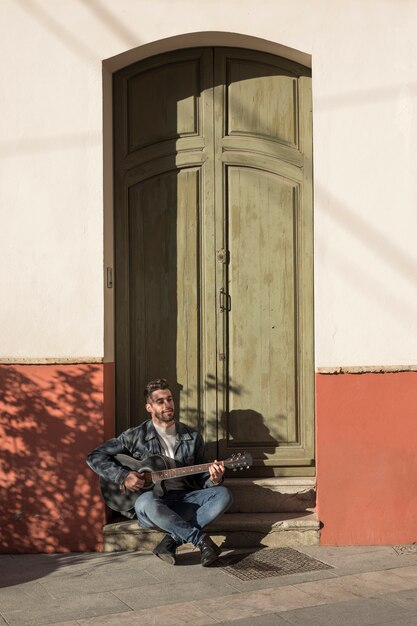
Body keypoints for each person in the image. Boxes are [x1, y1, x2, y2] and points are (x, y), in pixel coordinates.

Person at [87, 378, 233, 566]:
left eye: (170, 399)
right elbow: (94, 456)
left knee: (223, 494)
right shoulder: (134, 436)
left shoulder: (192, 437)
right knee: (146, 501)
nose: (168, 405)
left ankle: (171, 541)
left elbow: (200, 478)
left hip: (184, 499)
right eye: (160, 401)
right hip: (153, 506)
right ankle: (201, 541)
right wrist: (124, 476)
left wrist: (214, 478)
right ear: (149, 407)